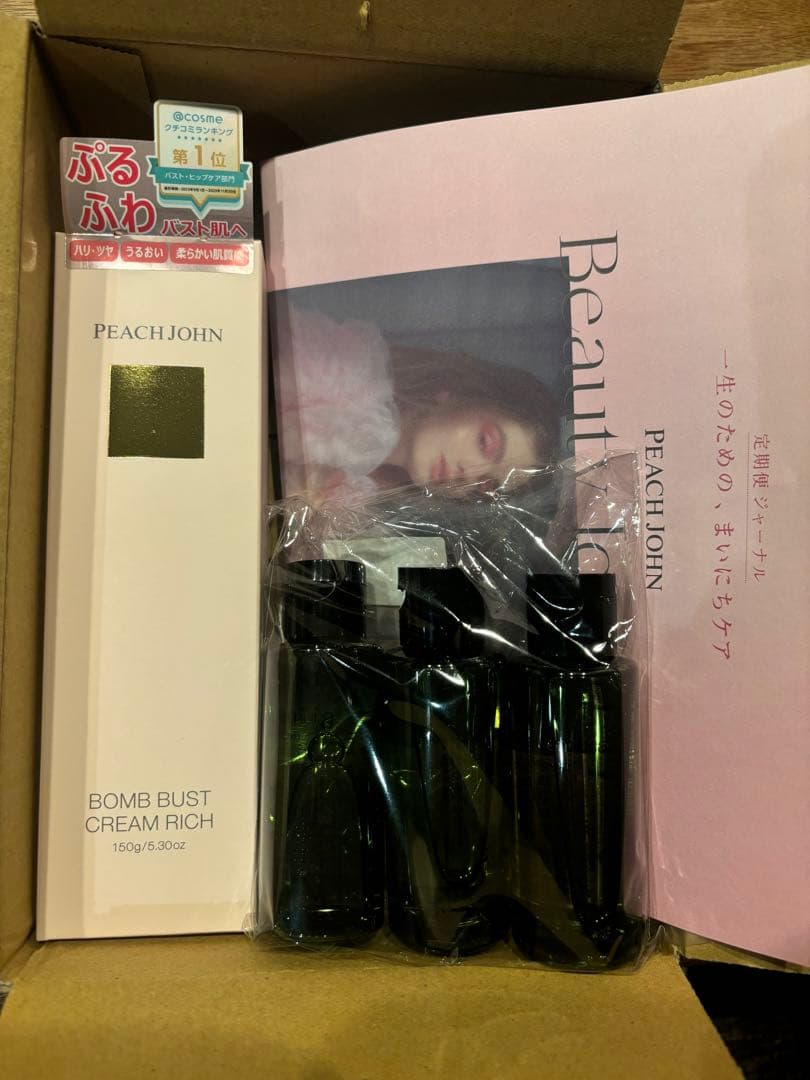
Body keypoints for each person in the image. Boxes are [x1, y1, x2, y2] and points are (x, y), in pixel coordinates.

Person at [273, 304, 558, 504]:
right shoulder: (346, 370)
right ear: (459, 394)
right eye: (484, 442)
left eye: (488, 484)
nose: (469, 475)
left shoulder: (359, 500)